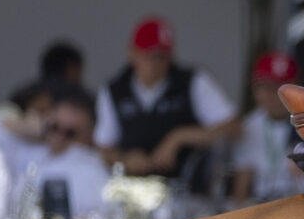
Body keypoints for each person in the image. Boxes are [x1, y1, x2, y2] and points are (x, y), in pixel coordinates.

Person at [93, 16, 240, 185]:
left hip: (187, 191)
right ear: (132, 53)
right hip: (134, 193)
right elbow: (103, 148)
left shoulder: (192, 81)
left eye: (161, 56)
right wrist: (126, 159)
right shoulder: (114, 90)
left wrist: (180, 137)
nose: (155, 63)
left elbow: (233, 127)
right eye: (148, 55)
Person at [18, 86, 114, 219]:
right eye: (54, 127)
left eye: (70, 132)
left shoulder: (94, 169)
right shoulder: (31, 153)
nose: (59, 136)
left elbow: (104, 218)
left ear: (89, 135)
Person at [232, 51, 304, 201]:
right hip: (262, 205)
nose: (272, 95)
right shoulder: (249, 126)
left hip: (302, 204)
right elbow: (241, 186)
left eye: (278, 87)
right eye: (263, 87)